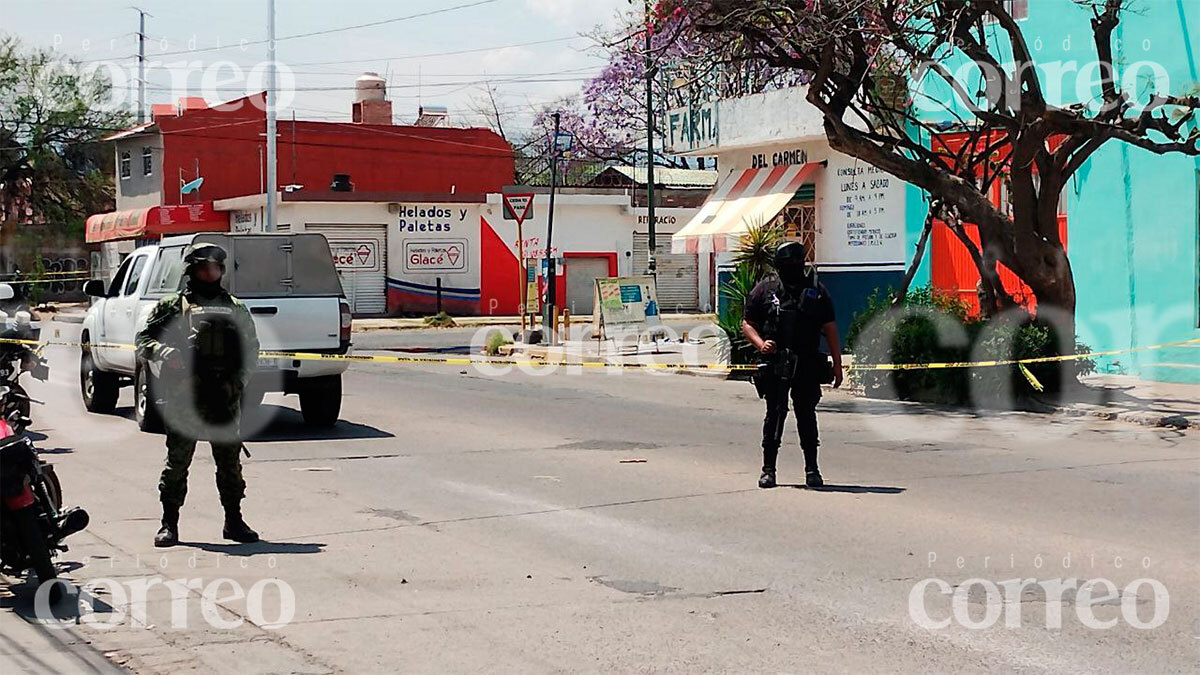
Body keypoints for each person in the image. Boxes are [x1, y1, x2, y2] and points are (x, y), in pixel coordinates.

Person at [135, 244, 261, 547]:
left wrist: (239, 382)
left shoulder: (234, 307)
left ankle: (234, 521)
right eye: (205, 268)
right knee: (178, 462)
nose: (211, 273)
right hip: (185, 396)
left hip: (224, 398)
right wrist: (166, 352)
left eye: (216, 268)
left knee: (229, 463)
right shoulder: (173, 306)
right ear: (192, 270)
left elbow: (251, 347)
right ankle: (169, 523)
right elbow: (143, 339)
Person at [741, 241, 843, 489]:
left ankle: (812, 470)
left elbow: (830, 329)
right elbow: (747, 322)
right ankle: (768, 470)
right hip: (776, 363)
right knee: (775, 415)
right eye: (788, 264)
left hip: (806, 361)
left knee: (806, 416)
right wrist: (760, 344)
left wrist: (837, 365)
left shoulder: (816, 291)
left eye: (796, 263)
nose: (793, 268)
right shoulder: (766, 290)